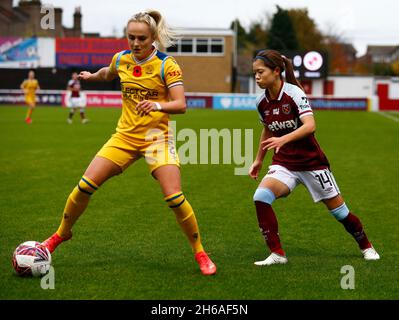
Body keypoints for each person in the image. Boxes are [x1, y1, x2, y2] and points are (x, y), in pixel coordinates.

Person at [42, 10, 216, 276]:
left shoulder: (166, 65)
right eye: (131, 37)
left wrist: (157, 104)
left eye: (142, 38)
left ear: (153, 37)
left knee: (174, 197)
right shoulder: (121, 59)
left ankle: (200, 252)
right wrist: (91, 76)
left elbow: (181, 104)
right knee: (84, 186)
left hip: (157, 139)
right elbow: (108, 73)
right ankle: (60, 235)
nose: (135, 43)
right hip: (124, 137)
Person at [249, 49, 380, 266]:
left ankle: (366, 246)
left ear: (276, 71)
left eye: (260, 72)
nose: (257, 77)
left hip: (312, 164)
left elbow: (310, 126)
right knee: (261, 197)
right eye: (254, 73)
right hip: (284, 164)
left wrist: (283, 140)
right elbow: (267, 130)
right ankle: (277, 254)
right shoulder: (261, 102)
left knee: (341, 213)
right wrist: (259, 160)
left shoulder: (294, 93)